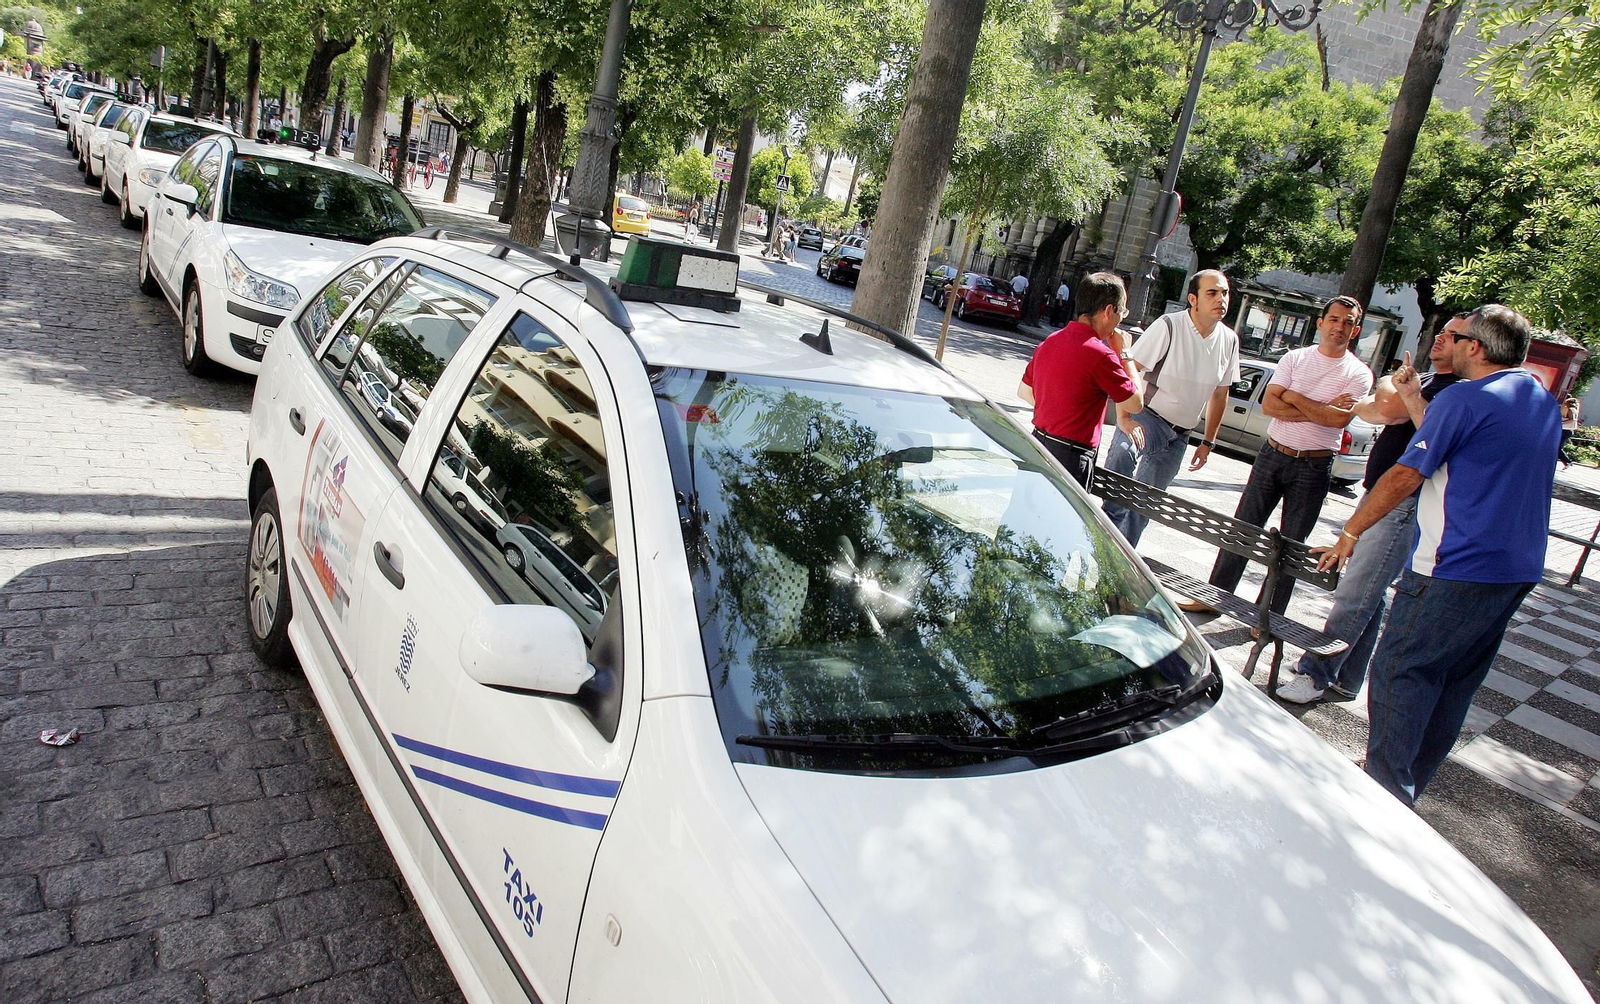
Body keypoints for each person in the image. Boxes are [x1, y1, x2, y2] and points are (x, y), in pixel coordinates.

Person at [1313, 305, 1561, 806]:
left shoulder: (1464, 397)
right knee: (1452, 681)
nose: (1451, 344)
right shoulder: (1539, 399)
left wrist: (1351, 532)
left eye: (1460, 337)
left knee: (1401, 670)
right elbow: (1457, 441)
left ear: (1477, 348)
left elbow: (1408, 473)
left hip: (1455, 564)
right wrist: (1412, 397)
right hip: (1515, 569)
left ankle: (1385, 795)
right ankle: (1407, 783)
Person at [1277, 314, 1466, 705]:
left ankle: (1316, 673)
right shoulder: (1430, 380)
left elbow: (1403, 415)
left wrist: (1402, 396)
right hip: (1380, 495)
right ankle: (1347, 677)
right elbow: (1374, 407)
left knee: (1355, 591)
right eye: (1441, 331)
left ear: (1470, 346)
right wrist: (1395, 395)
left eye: (1452, 335)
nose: (1440, 338)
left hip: (1401, 502)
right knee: (1370, 591)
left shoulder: (1456, 391)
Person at [1201, 296, 1372, 614]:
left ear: (1356, 330)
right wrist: (1322, 407)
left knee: (1292, 545)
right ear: (1321, 323)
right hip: (1273, 453)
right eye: (1334, 319)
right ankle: (1214, 598)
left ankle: (1268, 615)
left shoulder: (1359, 374)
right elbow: (1269, 405)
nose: (1339, 326)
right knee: (1244, 528)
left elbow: (1337, 420)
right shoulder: (1295, 358)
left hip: (1314, 464)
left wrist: (1293, 396)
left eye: (1348, 322)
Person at [1101, 269, 1242, 545]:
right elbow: (1128, 371)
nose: (1221, 299)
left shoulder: (1229, 340)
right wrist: (1124, 417)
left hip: (1180, 434)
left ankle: (1122, 556)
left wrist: (1208, 442)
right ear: (1193, 299)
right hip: (1148, 417)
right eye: (1212, 293)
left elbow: (1220, 394)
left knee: (1145, 506)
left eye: (1225, 293)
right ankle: (1107, 522)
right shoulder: (1169, 326)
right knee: (1122, 451)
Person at [1017, 273, 1144, 489]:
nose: (1120, 320)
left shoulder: (1051, 341)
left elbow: (1024, 391)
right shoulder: (1101, 355)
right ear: (1108, 311)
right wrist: (1125, 354)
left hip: (1037, 444)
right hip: (1071, 456)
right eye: (1122, 312)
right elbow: (1135, 403)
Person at [1559, 395, 1580, 468]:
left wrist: (1562, 422)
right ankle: (1567, 462)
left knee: (1558, 447)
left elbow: (1571, 420)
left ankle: (1567, 461)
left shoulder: (1571, 409)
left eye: (1566, 403)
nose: (1565, 405)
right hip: (1569, 430)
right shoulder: (1575, 410)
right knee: (1559, 447)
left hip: (1566, 430)